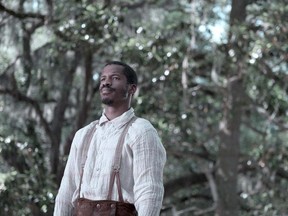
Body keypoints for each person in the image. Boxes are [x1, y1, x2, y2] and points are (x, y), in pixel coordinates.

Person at [54, 61, 166, 216]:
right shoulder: (83, 135)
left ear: (132, 88)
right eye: (103, 79)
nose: (106, 82)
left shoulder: (141, 131)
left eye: (115, 78)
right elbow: (66, 192)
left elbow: (149, 191)